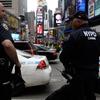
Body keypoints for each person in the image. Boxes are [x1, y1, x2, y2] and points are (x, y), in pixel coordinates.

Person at [59, 11, 100, 100]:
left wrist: (68, 67)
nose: (71, 24)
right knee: (90, 96)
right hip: (93, 77)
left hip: (78, 77)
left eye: (72, 21)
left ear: (78, 21)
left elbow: (63, 57)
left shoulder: (75, 35)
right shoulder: (97, 35)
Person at [0, 2, 21, 100]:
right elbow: (8, 45)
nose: (4, 13)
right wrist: (17, 63)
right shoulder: (2, 26)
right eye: (2, 11)